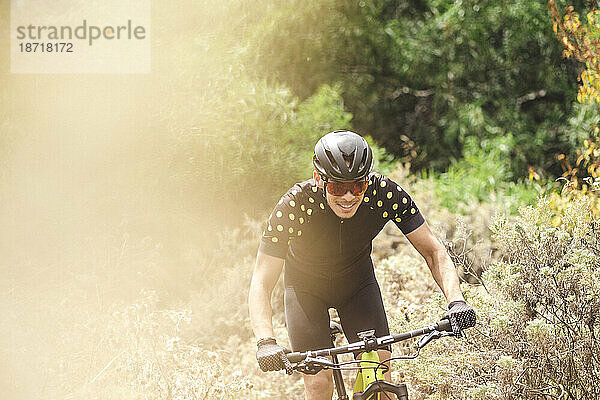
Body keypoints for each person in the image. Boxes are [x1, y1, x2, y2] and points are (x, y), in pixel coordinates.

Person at [248, 130, 475, 399]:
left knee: (378, 370)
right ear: (319, 179)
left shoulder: (384, 193)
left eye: (357, 186)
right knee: (319, 382)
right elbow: (262, 282)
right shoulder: (296, 204)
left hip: (357, 285)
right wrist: (266, 340)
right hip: (305, 290)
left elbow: (434, 251)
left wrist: (456, 301)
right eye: (337, 187)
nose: (348, 197)